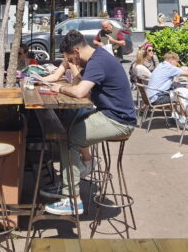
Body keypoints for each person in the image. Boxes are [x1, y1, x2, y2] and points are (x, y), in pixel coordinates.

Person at [38, 30, 136, 216]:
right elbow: (81, 86)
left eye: (71, 59)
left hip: (119, 120)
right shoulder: (97, 58)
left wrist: (58, 87)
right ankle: (66, 187)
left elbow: (80, 92)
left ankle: (73, 200)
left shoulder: (97, 61)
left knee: (70, 139)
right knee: (65, 131)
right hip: (110, 114)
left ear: (76, 51)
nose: (72, 63)